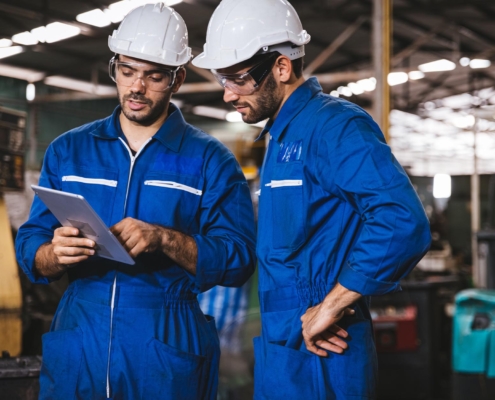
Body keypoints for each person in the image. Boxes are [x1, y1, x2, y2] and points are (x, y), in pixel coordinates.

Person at [15, 4, 256, 400]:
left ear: (177, 79)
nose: (136, 88)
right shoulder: (69, 150)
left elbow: (239, 258)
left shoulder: (209, 160)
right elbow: (31, 244)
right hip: (80, 332)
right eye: (126, 72)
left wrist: (166, 239)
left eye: (153, 76)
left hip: (164, 340)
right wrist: (52, 254)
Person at [193, 0, 431, 398]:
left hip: (325, 348)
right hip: (282, 345)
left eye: (237, 79)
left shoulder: (335, 126)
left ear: (281, 68)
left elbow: (402, 221)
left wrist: (332, 304)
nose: (227, 95)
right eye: (223, 80)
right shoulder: (281, 137)